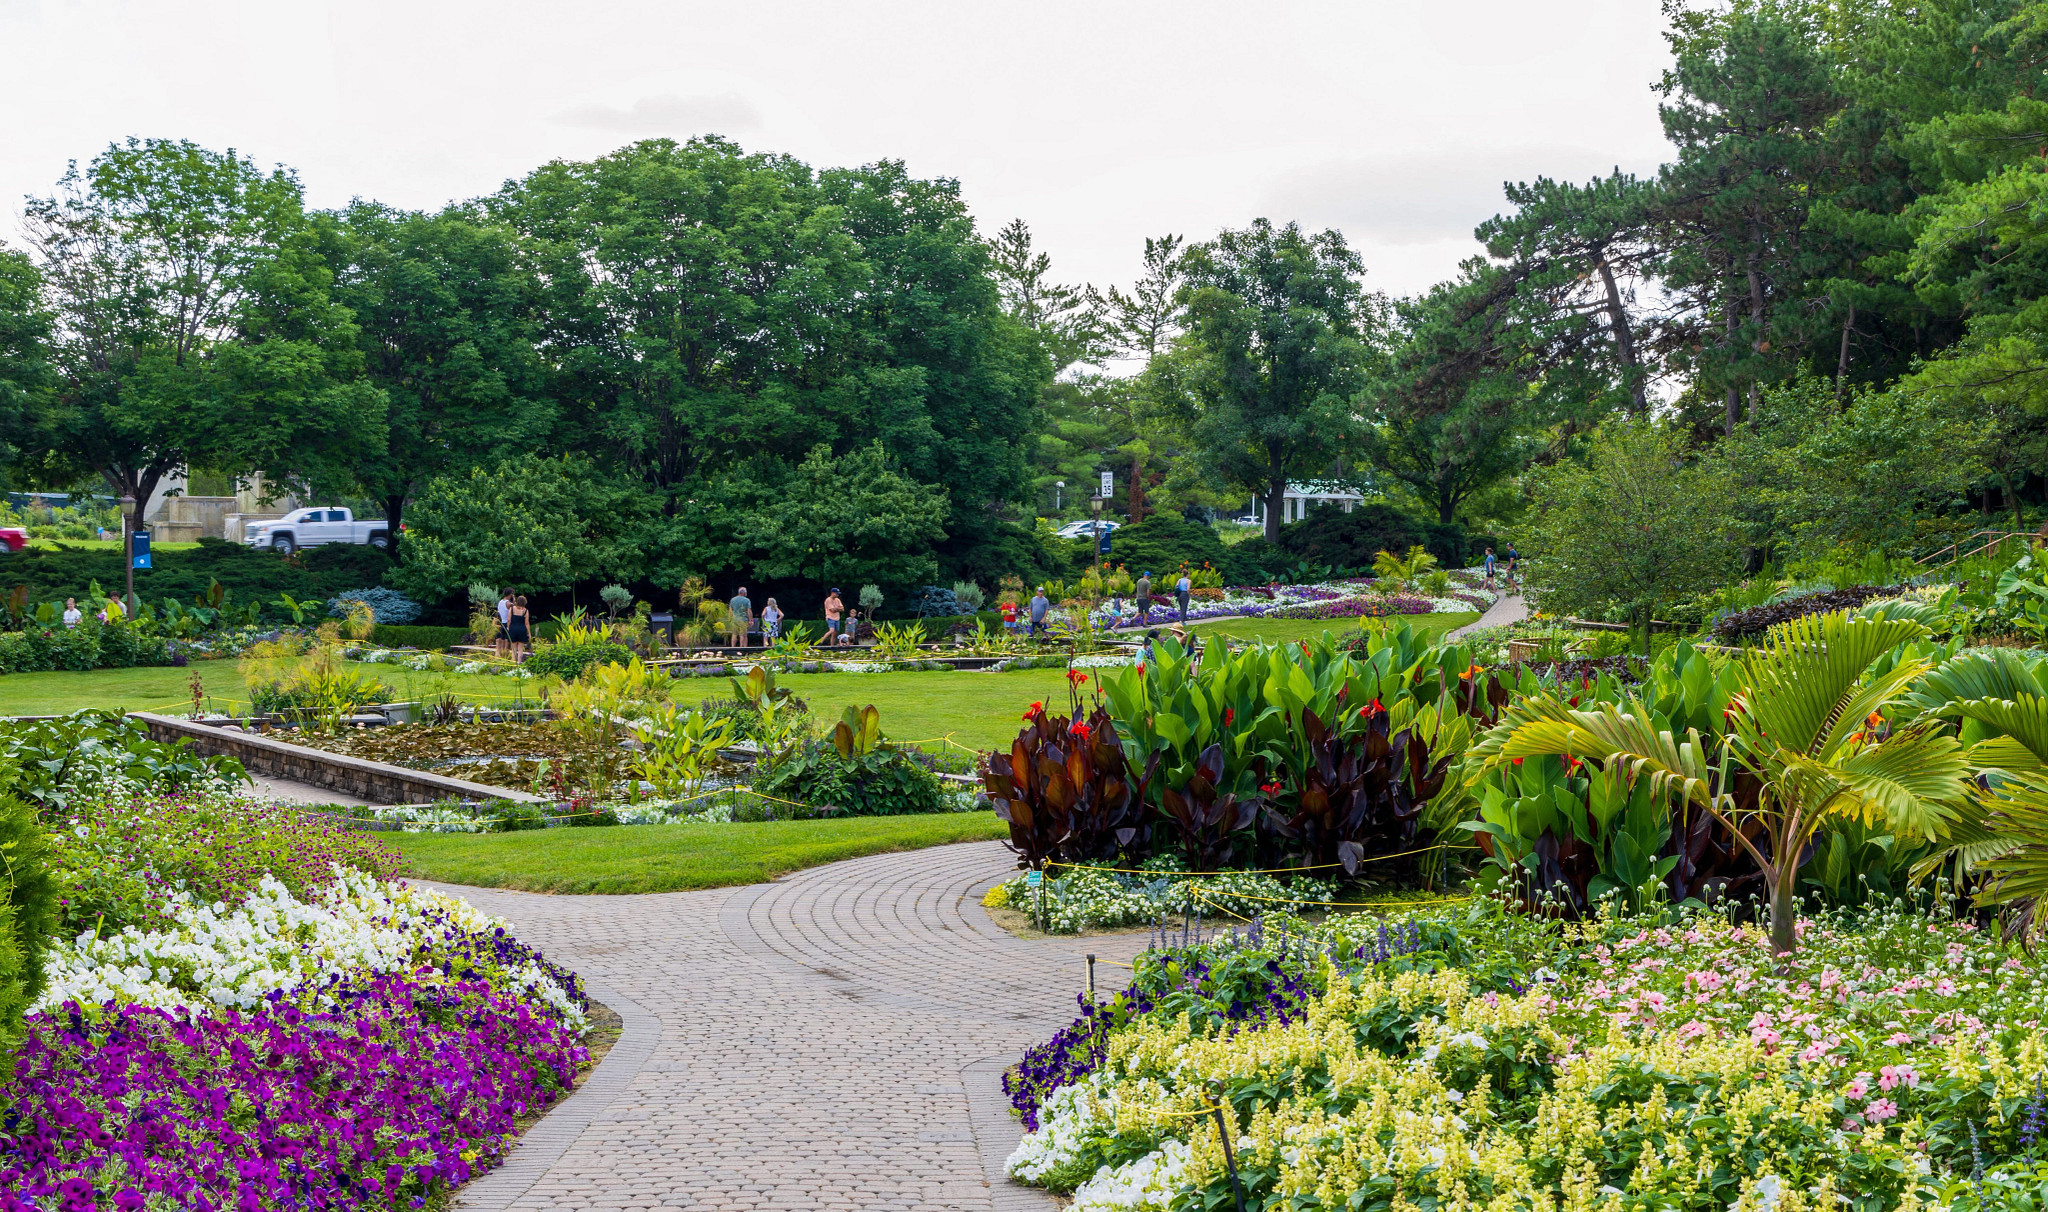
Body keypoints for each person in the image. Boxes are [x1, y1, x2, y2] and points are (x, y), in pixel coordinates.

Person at [507, 595, 532, 663]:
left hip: (513, 628)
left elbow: (509, 620)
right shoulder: (526, 611)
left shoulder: (511, 609)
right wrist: (529, 633)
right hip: (521, 629)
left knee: (513, 648)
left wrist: (508, 627)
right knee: (520, 648)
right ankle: (519, 662)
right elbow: (526, 623)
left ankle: (513, 662)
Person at [497, 589, 513, 657]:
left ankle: (500, 655)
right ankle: (505, 656)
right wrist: (514, 599)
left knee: (501, 640)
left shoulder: (500, 602)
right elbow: (516, 607)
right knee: (507, 641)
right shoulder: (509, 603)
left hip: (501, 622)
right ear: (510, 594)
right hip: (507, 623)